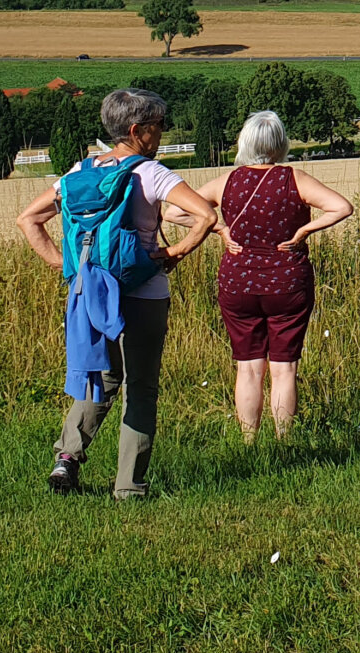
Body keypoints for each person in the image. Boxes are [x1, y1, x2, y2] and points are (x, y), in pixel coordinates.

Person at [16, 88, 218, 499]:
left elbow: (28, 219)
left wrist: (66, 265)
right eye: (158, 125)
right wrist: (174, 252)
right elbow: (206, 215)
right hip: (142, 293)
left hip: (89, 293)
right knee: (140, 387)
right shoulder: (151, 173)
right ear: (136, 130)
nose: (163, 132)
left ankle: (66, 459)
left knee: (100, 377)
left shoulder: (78, 172)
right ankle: (129, 487)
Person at [184, 109, 354, 440]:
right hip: (287, 283)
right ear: (281, 143)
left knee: (247, 367)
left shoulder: (227, 181)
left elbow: (176, 210)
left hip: (237, 283)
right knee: (284, 368)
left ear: (244, 142)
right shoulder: (295, 179)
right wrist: (304, 230)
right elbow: (342, 207)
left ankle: (249, 442)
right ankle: (283, 441)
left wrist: (218, 228)